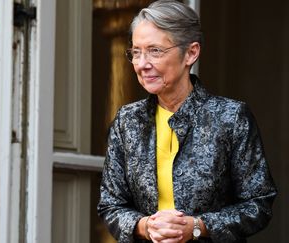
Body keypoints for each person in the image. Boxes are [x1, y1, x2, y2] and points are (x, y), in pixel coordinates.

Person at [97, 0, 277, 242]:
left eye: (155, 51)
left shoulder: (230, 118)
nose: (141, 64)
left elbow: (259, 204)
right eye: (136, 52)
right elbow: (111, 205)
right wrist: (146, 226)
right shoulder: (127, 121)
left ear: (191, 53)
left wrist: (196, 226)